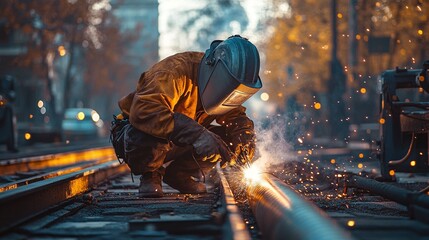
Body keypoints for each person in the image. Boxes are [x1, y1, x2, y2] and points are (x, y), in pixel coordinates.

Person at [110, 35, 262, 197]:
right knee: (149, 129)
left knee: (225, 141)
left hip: (180, 137)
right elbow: (145, 112)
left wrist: (244, 137)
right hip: (137, 134)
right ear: (216, 74)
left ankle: (179, 175)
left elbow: (235, 116)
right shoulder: (173, 72)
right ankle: (150, 175)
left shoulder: (223, 85)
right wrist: (197, 134)